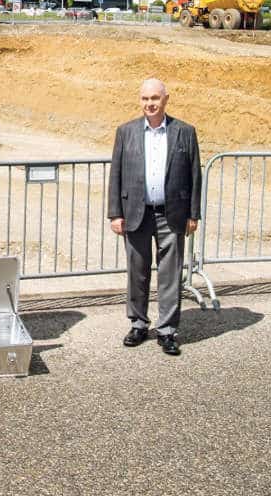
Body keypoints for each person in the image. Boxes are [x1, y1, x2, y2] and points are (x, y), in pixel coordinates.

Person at [108, 78, 202, 356]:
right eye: (145, 99)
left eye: (155, 98)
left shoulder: (185, 132)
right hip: (136, 213)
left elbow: (195, 175)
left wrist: (193, 214)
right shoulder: (126, 132)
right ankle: (138, 324)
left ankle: (167, 330)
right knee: (137, 272)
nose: (150, 104)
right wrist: (115, 213)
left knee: (170, 274)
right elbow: (116, 174)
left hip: (171, 214)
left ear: (166, 99)